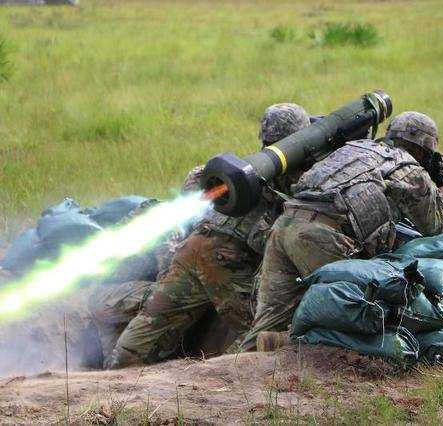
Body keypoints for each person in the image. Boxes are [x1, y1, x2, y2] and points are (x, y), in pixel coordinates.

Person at [92, 103, 312, 368]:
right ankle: (216, 378)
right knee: (258, 335)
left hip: (193, 251)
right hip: (226, 264)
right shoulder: (293, 181)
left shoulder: (241, 171)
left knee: (132, 351)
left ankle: (118, 380)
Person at [241, 111, 443, 351]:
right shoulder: (410, 170)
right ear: (423, 151)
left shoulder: (354, 148)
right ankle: (287, 343)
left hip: (285, 225)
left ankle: (238, 370)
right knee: (356, 317)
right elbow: (439, 227)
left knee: (268, 321)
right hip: (323, 237)